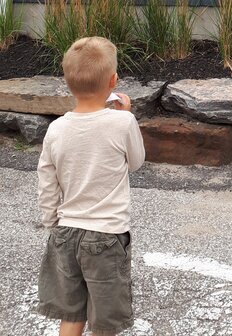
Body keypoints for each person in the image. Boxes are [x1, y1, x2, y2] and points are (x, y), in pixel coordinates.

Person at [37, 36, 146, 336]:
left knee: (71, 313)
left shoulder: (56, 129)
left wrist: (51, 223)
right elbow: (136, 162)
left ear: (67, 81)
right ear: (113, 81)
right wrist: (128, 116)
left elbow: (47, 180)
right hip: (107, 235)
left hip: (65, 232)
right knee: (104, 321)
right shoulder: (122, 123)